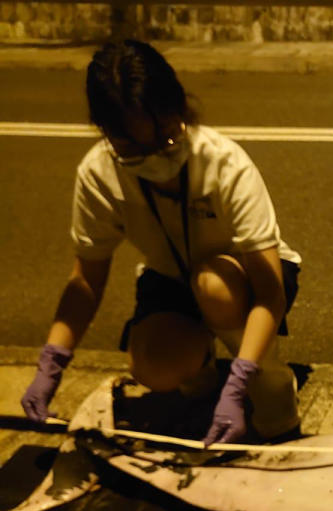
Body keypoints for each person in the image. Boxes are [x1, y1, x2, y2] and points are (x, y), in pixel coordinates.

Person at [20, 38, 302, 445]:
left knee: (214, 285)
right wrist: (52, 363)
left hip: (247, 280)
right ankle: (203, 379)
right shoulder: (99, 175)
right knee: (151, 364)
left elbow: (270, 292)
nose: (153, 155)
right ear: (105, 132)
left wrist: (239, 382)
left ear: (181, 110)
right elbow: (85, 282)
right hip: (172, 277)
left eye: (166, 136)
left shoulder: (223, 163)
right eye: (131, 147)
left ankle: (268, 381)